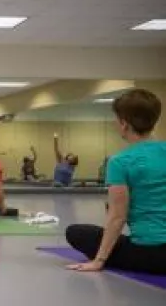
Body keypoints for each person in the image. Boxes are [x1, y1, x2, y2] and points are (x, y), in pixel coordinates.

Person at [66, 89, 166, 274]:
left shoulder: (120, 161)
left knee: (76, 232)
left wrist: (98, 261)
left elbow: (117, 217)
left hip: (152, 254)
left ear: (123, 123)